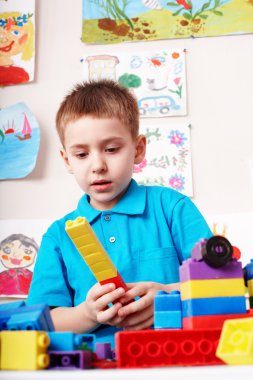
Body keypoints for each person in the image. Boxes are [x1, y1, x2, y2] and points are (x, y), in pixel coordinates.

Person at [27, 80, 213, 346]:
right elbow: (42, 321)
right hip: (94, 367)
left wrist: (169, 296)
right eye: (81, 154)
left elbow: (220, 283)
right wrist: (87, 314)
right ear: (67, 160)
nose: (98, 166)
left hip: (177, 359)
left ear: (138, 149)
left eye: (111, 149)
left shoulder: (172, 207)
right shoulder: (58, 236)